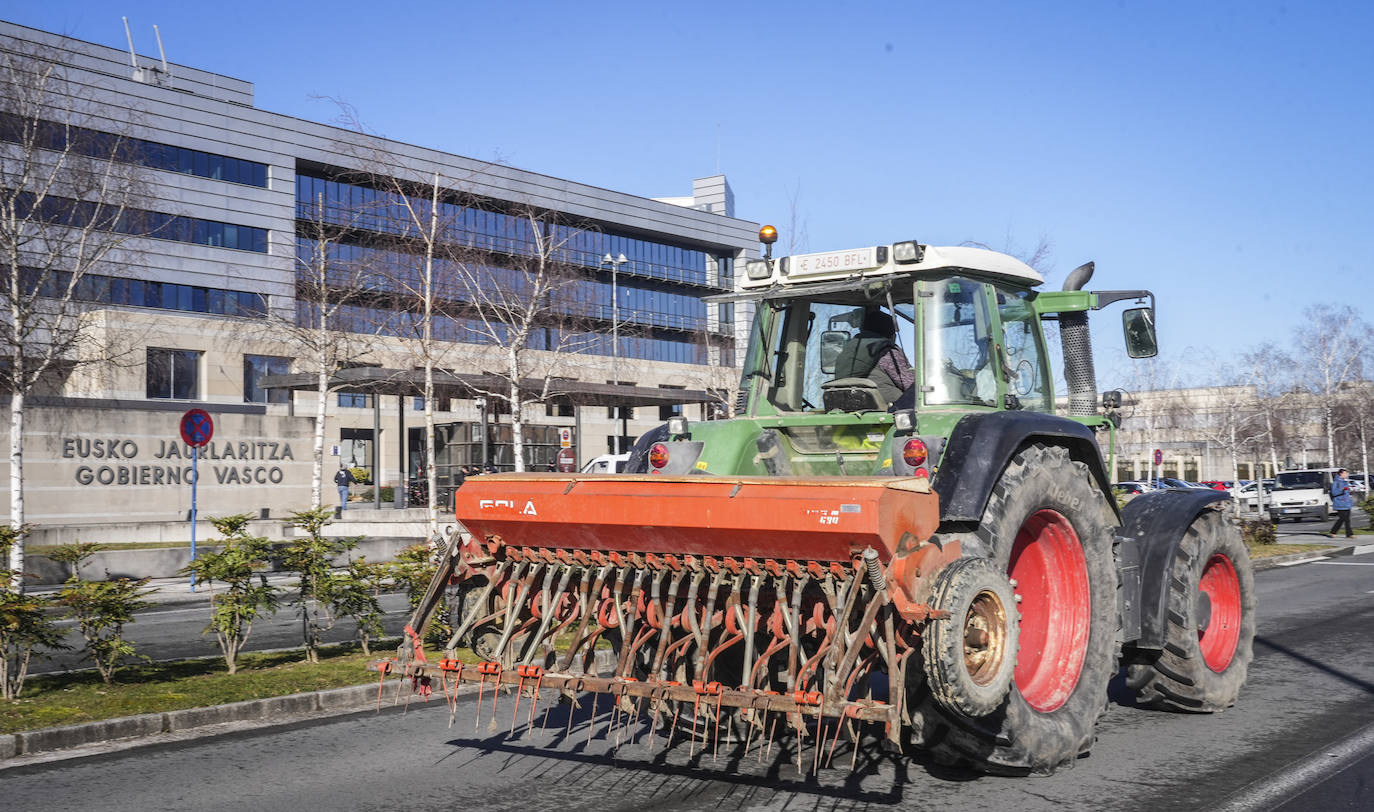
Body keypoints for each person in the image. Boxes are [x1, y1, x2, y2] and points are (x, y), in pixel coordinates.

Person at [831, 308, 914, 404]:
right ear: (892, 335)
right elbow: (910, 384)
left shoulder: (848, 352)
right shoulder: (887, 352)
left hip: (854, 406)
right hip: (892, 409)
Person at [1329, 468, 1355, 538]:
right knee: (1343, 518)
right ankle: (1334, 532)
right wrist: (1342, 490)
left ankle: (1348, 534)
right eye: (1345, 473)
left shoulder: (1345, 482)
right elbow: (1334, 492)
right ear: (1341, 474)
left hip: (1346, 503)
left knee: (1346, 519)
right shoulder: (1336, 482)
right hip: (1339, 503)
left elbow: (1346, 493)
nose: (1347, 475)